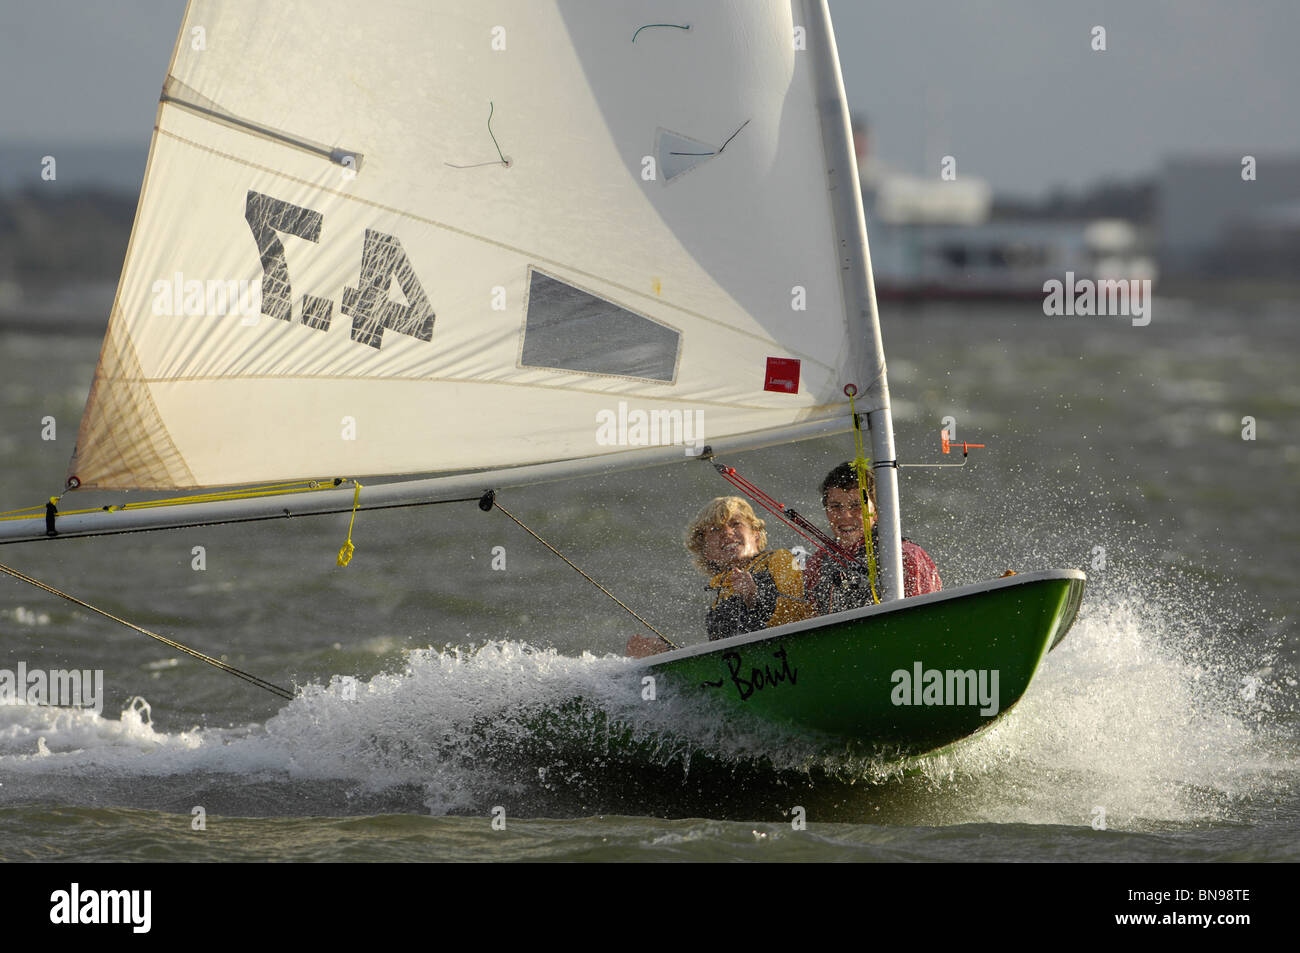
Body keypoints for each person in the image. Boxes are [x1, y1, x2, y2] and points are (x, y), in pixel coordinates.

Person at [624, 496, 813, 658]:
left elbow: (795, 613)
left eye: (735, 523)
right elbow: (723, 661)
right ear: (706, 551)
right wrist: (666, 652)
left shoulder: (780, 559)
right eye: (715, 529)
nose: (727, 533)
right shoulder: (719, 596)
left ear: (756, 534)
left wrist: (754, 596)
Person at [804, 462, 941, 615]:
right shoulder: (816, 565)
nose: (844, 516)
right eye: (835, 506)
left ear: (876, 510)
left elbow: (928, 616)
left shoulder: (906, 556)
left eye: (856, 505)